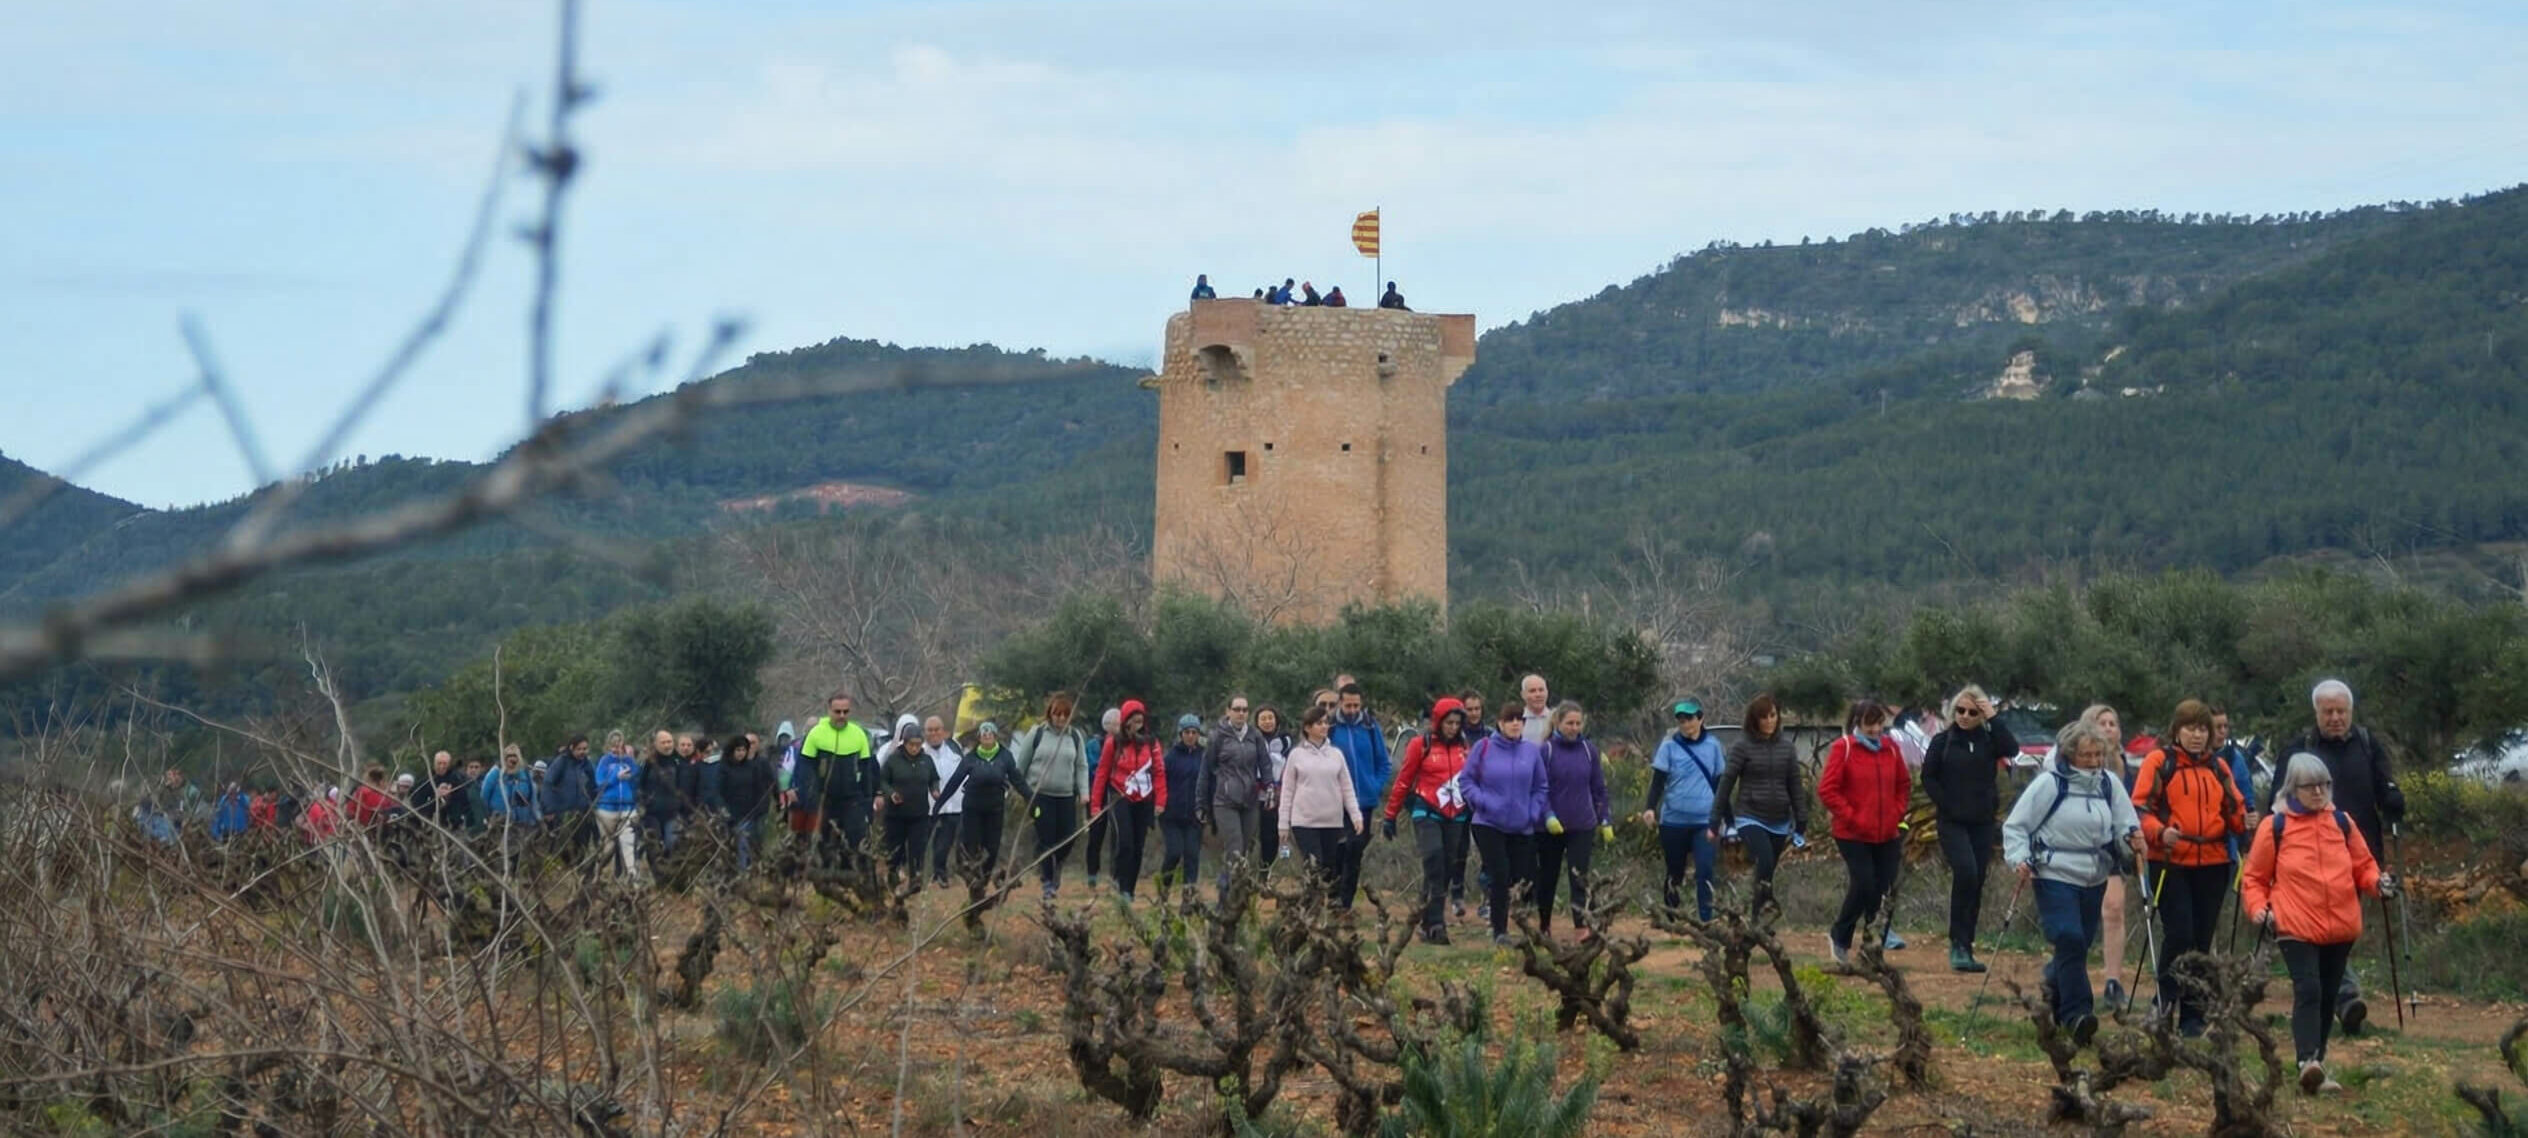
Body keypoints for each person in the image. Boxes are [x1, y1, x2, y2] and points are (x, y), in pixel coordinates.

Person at [2242, 752, 2391, 1095]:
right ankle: (2306, 1060)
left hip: (2340, 924)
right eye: (2310, 786)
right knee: (2308, 989)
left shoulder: (2341, 822)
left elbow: (2364, 866)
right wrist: (2259, 909)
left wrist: (2378, 884)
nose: (2319, 792)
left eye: (2324, 785)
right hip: (2295, 923)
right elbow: (2254, 878)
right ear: (2293, 788)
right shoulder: (2275, 826)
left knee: (2328, 994)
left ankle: (2317, 1065)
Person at [2004, 719, 2147, 1047]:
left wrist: (2132, 840)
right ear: (2069, 754)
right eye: (2087, 755)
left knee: (2078, 945)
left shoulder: (2109, 784)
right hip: (2053, 872)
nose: (2094, 761)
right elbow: (2016, 825)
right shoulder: (2049, 784)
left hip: (2095, 875)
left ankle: (2052, 987)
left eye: (2098, 754)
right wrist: (2019, 858)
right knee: (2068, 937)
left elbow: (2125, 824)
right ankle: (2077, 1014)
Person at [2276, 679, 2403, 1034]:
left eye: (2341, 711)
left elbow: (2385, 784)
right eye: (2328, 711)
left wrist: (2393, 799)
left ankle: (2335, 997)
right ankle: (2343, 998)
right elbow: (2278, 799)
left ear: (2351, 712)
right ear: (2316, 713)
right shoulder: (2300, 749)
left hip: (2357, 857)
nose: (2335, 718)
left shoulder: (2367, 744)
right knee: (2315, 930)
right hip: (2307, 861)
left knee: (2340, 929)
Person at [2130, 699, 2249, 1035]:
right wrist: (2159, 832)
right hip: (2171, 861)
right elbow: (2140, 808)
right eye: (2190, 729)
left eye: (2202, 730)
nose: (2197, 736)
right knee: (2179, 933)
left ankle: (2193, 1017)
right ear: (2176, 731)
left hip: (2213, 862)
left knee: (2200, 939)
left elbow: (2234, 807)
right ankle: (2163, 1004)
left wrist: (2244, 821)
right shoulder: (2160, 761)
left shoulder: (2218, 767)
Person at [1919, 685, 2020, 972]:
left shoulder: (1989, 741)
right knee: (1966, 872)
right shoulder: (1943, 741)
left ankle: (1967, 944)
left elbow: (2011, 748)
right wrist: (1947, 804)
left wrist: (1993, 717)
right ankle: (1957, 942)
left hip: (1982, 822)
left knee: (1977, 881)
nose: (1965, 716)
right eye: (1960, 710)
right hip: (1952, 822)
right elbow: (1928, 777)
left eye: (1973, 712)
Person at [1818, 700, 1911, 963]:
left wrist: (1896, 813)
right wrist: (1852, 817)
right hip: (1852, 833)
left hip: (1887, 832)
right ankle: (1840, 936)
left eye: (1879, 723)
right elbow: (1827, 790)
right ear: (1857, 722)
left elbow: (1903, 784)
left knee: (1885, 887)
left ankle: (1874, 943)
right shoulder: (1844, 748)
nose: (1875, 729)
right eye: (1870, 724)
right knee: (1863, 883)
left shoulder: (1891, 748)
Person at [1384, 697, 1474, 943]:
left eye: (1457, 723)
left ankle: (1426, 919)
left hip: (1456, 814)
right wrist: (1390, 815)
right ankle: (1436, 923)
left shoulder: (1464, 746)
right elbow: (1404, 780)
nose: (1453, 728)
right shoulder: (1420, 744)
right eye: (1449, 722)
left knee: (1446, 867)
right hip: (1427, 810)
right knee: (1433, 858)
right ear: (1438, 721)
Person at [1465, 703, 1550, 945]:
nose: (1515, 724)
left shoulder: (1531, 751)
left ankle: (1523, 924)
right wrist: (1483, 802)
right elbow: (1467, 781)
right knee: (1499, 874)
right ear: (1500, 723)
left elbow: (1541, 786)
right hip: (1488, 822)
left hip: (1521, 825)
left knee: (1521, 877)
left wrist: (1533, 812)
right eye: (1509, 720)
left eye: (1519, 720)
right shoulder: (1484, 747)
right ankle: (1499, 930)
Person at [1717, 693, 1807, 914]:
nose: (1769, 721)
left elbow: (1795, 785)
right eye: (1763, 717)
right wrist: (1716, 818)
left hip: (1779, 819)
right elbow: (1726, 783)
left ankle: (1760, 913)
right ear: (1754, 719)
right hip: (1750, 816)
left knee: (1768, 871)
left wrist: (1801, 818)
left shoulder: (1787, 748)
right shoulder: (1742, 746)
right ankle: (1759, 914)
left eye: (1773, 715)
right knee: (1764, 861)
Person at [1644, 699, 1726, 921]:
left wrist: (1728, 819)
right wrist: (1650, 808)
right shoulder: (1668, 747)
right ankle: (1671, 918)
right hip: (1673, 822)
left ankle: (1706, 919)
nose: (1686, 724)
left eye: (1689, 719)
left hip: (1705, 822)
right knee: (1675, 871)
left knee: (1705, 870)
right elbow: (1658, 781)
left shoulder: (1713, 746)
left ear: (1701, 718)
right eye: (1681, 720)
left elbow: (1721, 785)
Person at [1534, 702, 1610, 938]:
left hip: (1582, 824)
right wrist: (1548, 815)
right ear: (1558, 722)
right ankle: (1544, 924)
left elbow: (1598, 787)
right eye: (1569, 723)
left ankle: (1581, 926)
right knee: (1548, 877)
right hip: (1550, 827)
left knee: (1579, 877)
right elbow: (1538, 788)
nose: (1574, 727)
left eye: (1578, 723)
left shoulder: (1589, 750)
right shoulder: (1546, 750)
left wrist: (1605, 818)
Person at [2077, 704, 2134, 1009]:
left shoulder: (2124, 764)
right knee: (2081, 913)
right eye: (2103, 723)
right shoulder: (2072, 761)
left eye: (2114, 723)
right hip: (2079, 844)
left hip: (2112, 846)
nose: (2109, 728)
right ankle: (2072, 974)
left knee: (2114, 909)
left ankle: (2113, 981)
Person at [1277, 705, 1362, 897]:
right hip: (1304, 822)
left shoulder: (1336, 754)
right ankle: (1310, 907)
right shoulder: (1296, 755)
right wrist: (1283, 824)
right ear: (1307, 728)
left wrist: (1356, 815)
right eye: (1319, 723)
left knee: (1329, 869)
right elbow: (1287, 791)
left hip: (1332, 821)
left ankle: (1325, 906)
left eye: (1326, 722)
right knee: (1313, 866)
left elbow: (1347, 788)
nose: (1324, 726)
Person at [1014, 693, 1092, 898]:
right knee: (1046, 838)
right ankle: (1047, 882)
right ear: (1050, 714)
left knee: (1068, 837)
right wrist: (1022, 791)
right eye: (1057, 714)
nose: (1060, 719)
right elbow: (1021, 765)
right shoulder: (1037, 733)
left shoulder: (1075, 737)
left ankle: (1056, 865)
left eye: (1065, 715)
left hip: (1066, 796)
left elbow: (1081, 766)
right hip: (1040, 796)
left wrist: (1084, 792)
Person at [1090, 701, 1164, 903]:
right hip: (1119, 796)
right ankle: (1121, 883)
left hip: (1144, 798)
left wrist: (1160, 800)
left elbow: (1159, 772)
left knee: (1138, 846)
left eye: (1140, 721)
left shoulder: (1151, 743)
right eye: (1133, 721)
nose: (1137, 726)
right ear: (1126, 722)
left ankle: (1129, 890)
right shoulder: (1113, 743)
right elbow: (1102, 773)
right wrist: (1095, 805)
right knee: (1125, 843)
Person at [1327, 683, 1392, 910]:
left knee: (1355, 850)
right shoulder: (1330, 727)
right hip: (1336, 801)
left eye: (1356, 705)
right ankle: (1332, 895)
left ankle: (1346, 902)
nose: (1353, 710)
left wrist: (1375, 786)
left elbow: (1384, 762)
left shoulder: (1370, 727)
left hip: (1364, 801)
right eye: (1348, 705)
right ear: (1340, 703)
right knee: (1338, 850)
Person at [1198, 695, 1268, 897]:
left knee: (1244, 849)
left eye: (1245, 710)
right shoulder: (1217, 737)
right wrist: (1201, 803)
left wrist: (1270, 786)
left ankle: (1235, 891)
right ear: (1228, 711)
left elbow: (1264, 764)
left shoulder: (1255, 736)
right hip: (1225, 801)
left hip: (1250, 800)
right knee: (1235, 847)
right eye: (1237, 709)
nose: (1241, 713)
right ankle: (1226, 897)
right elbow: (1206, 770)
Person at [937, 721, 1025, 881]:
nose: (987, 736)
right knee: (972, 845)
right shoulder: (970, 758)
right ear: (979, 738)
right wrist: (939, 804)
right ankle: (973, 878)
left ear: (995, 736)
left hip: (995, 808)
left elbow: (1017, 780)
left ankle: (985, 877)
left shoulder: (1005, 756)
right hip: (973, 808)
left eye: (990, 734)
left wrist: (1032, 798)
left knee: (992, 847)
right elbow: (955, 781)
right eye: (984, 734)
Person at [797, 694, 878, 869]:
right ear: (829, 711)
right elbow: (805, 770)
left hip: (851, 799)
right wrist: (810, 799)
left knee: (856, 843)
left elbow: (867, 772)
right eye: (837, 711)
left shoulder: (859, 734)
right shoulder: (815, 734)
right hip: (823, 799)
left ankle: (855, 877)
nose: (842, 716)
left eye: (845, 712)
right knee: (822, 844)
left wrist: (868, 802)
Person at [875, 715, 938, 886]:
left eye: (918, 744)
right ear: (905, 743)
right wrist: (890, 793)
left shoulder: (926, 760)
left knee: (917, 849)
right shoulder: (893, 760)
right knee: (895, 849)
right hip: (896, 814)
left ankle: (915, 880)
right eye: (911, 745)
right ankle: (892, 878)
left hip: (919, 814)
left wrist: (934, 790)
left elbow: (933, 778)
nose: (915, 748)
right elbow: (882, 780)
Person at [1157, 714, 1208, 898]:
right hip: (1171, 815)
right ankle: (1164, 888)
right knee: (1174, 852)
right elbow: (1160, 781)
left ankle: (1189, 894)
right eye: (1187, 732)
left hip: (1195, 815)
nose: (1191, 736)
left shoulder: (1204, 756)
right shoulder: (1170, 757)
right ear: (1181, 734)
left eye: (1194, 732)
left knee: (1192, 855)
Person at [720, 733, 777, 871]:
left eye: (743, 750)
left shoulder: (752, 767)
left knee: (745, 845)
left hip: (749, 813)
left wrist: (759, 807)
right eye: (738, 750)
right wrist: (724, 809)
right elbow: (719, 790)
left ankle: (744, 872)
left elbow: (760, 788)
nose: (741, 753)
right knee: (730, 846)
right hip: (730, 812)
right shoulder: (723, 768)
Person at [924, 716, 967, 886]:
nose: (934, 733)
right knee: (921, 842)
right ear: (925, 732)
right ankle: (917, 874)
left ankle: (940, 874)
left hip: (952, 807)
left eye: (937, 730)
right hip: (927, 807)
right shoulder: (919, 752)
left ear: (943, 732)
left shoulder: (954, 752)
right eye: (930, 730)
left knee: (944, 843)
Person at [542, 734, 598, 859]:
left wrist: (593, 804)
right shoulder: (561, 762)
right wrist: (548, 809)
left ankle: (580, 868)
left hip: (582, 814)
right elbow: (548, 783)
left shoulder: (587, 765)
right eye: (579, 749)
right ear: (572, 748)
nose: (582, 752)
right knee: (564, 849)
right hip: (564, 814)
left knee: (582, 847)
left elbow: (594, 786)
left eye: (585, 749)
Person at [1084, 707, 1123, 889]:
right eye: (1113, 723)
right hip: (1097, 793)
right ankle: (1092, 873)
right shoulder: (1094, 744)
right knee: (1096, 834)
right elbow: (1092, 768)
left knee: (1118, 834)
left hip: (1117, 793)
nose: (1116, 727)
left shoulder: (1125, 744)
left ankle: (1116, 874)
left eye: (1118, 723)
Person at [593, 740, 642, 881]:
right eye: (614, 746)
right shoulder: (604, 762)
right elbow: (600, 783)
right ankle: (597, 873)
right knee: (608, 846)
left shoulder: (629, 762)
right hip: (606, 807)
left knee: (628, 842)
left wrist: (631, 777)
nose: (617, 749)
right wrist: (616, 777)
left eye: (620, 746)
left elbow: (636, 780)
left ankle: (632, 875)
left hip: (627, 807)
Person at [638, 731, 691, 858]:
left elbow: (683, 788)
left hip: (672, 813)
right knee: (654, 847)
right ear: (656, 744)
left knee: (672, 845)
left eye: (669, 742)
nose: (667, 745)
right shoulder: (648, 764)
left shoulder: (678, 762)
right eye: (663, 742)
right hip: (652, 814)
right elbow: (640, 785)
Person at [1252, 706, 1291, 867]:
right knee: (1253, 834)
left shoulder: (1285, 741)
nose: (1267, 722)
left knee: (1273, 834)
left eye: (1270, 718)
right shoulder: (1251, 740)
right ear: (1257, 722)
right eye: (1263, 719)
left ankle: (1271, 867)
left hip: (1278, 794)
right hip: (1255, 794)